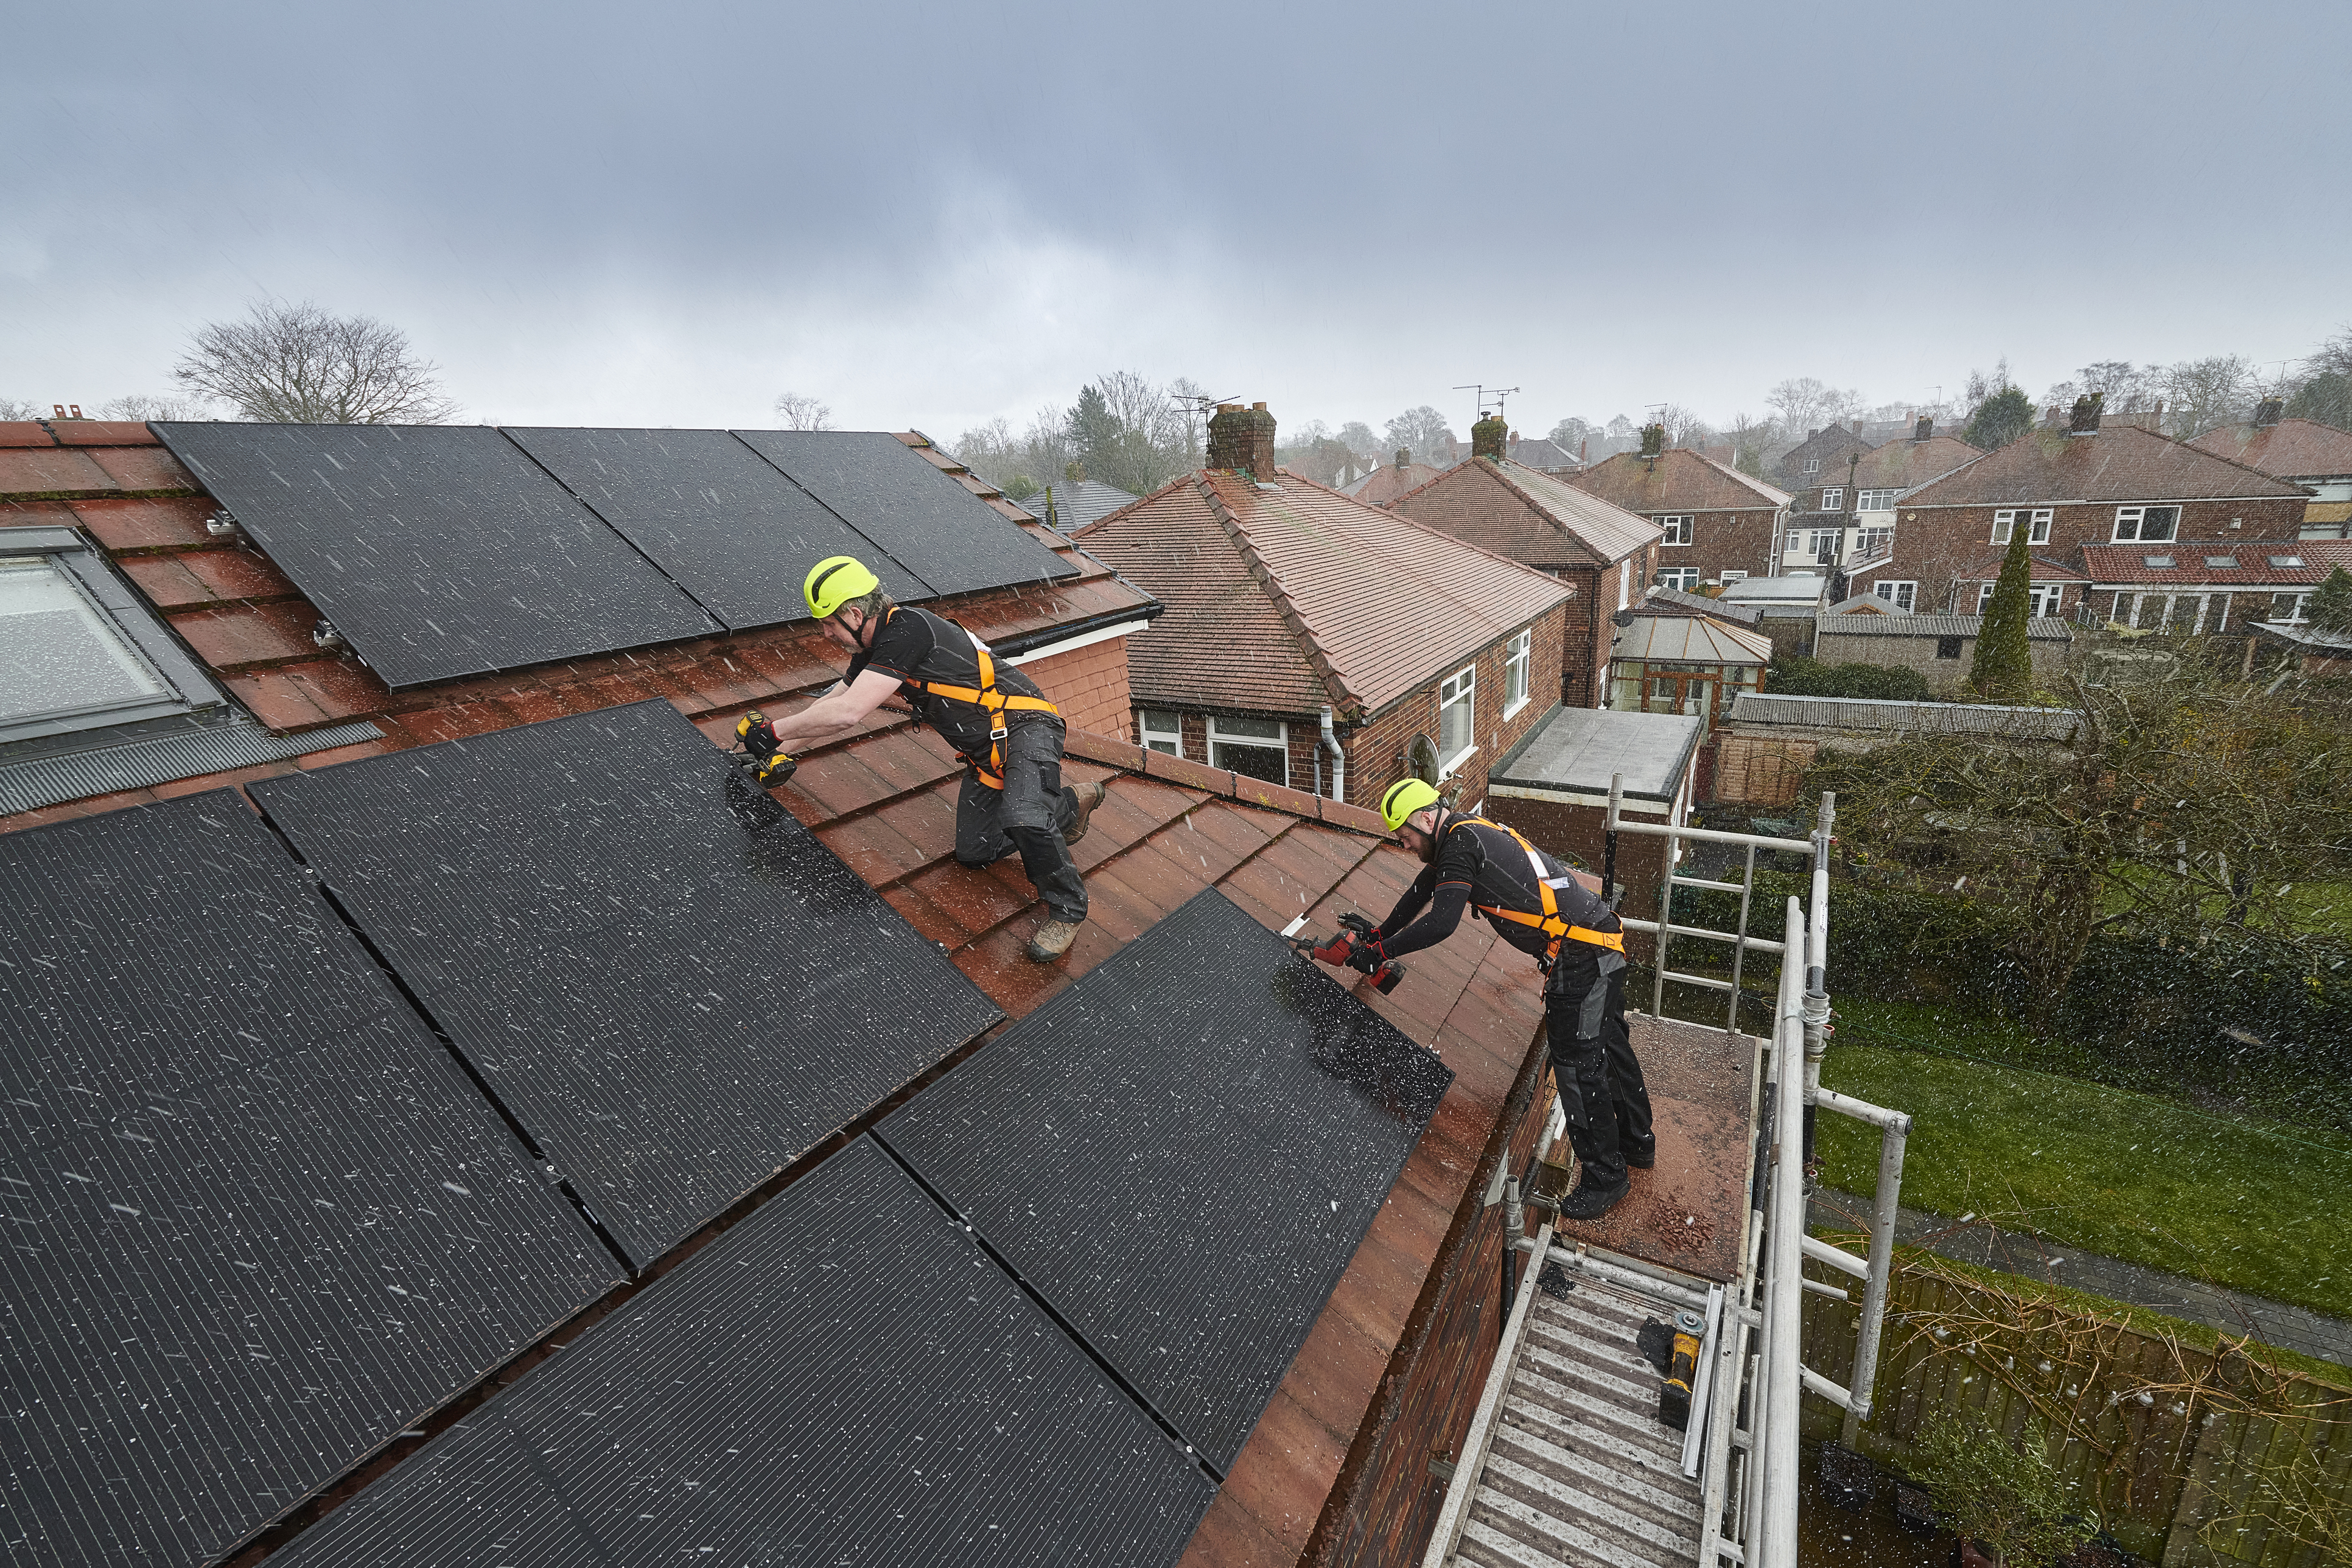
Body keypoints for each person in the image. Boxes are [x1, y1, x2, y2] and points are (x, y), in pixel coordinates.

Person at [754, 556, 1104, 962]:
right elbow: (835, 701)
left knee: (1023, 815)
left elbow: (849, 714)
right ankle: (1068, 805)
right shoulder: (877, 648)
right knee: (976, 852)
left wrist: (772, 730)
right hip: (984, 752)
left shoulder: (909, 629)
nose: (826, 633)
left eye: (830, 624)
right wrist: (772, 752)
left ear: (853, 613)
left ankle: (1068, 909)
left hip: (1028, 726)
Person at [1354, 777, 1653, 1219]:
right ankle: (1637, 1145)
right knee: (1611, 1047)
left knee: (1576, 1065)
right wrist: (1379, 934)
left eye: (1408, 837)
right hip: (1599, 941)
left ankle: (1606, 1178)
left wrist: (1380, 953)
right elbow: (1419, 893)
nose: (1408, 846)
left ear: (1426, 818)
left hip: (1580, 958)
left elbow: (1441, 923)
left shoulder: (1459, 846)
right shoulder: (1463, 832)